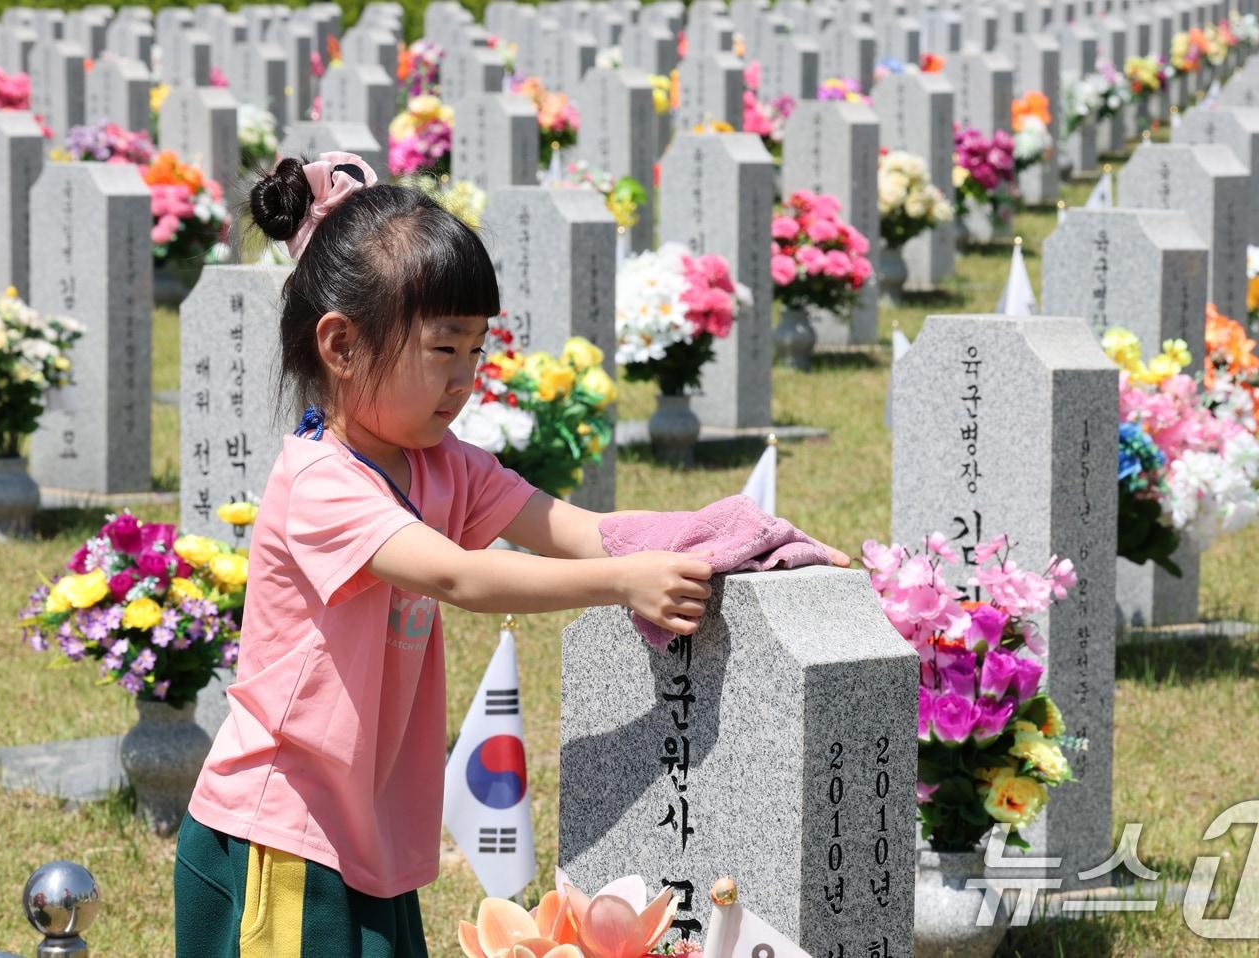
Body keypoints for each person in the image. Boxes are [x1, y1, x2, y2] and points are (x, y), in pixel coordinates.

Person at [172, 153, 847, 958]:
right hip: (277, 833)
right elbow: (461, 575)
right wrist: (623, 585)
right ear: (341, 346)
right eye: (441, 350)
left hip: (365, 832)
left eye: (474, 351)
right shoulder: (320, 480)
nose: (464, 380)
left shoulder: (441, 462)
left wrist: (746, 537)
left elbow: (576, 527)